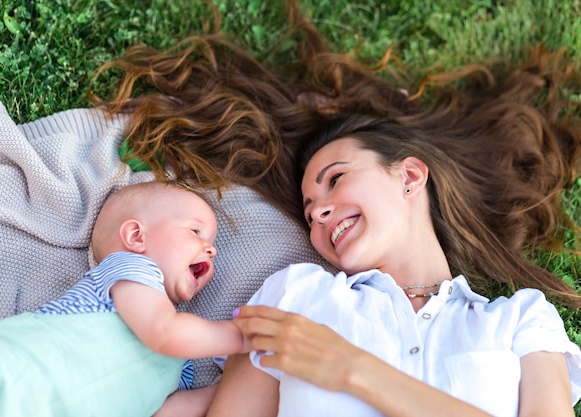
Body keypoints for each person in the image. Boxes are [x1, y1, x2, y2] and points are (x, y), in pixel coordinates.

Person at [92, 1, 581, 415]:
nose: (319, 214)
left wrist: (354, 369)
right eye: (308, 211)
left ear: (409, 176)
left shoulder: (522, 320)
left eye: (336, 180)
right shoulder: (297, 298)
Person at [0, 180, 248, 417]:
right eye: (195, 232)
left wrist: (233, 385)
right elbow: (163, 331)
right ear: (136, 237)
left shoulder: (181, 362)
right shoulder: (130, 269)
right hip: (1, 375)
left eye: (211, 243)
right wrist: (243, 337)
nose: (211, 250)